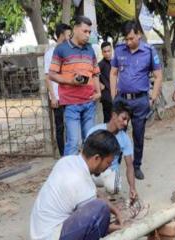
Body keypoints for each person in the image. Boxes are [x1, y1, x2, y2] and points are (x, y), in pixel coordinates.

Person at [30, 130, 122, 240]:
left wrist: (117, 212)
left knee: (99, 205)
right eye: (108, 162)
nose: (109, 166)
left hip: (39, 232)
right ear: (97, 158)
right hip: (50, 236)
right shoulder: (81, 182)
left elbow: (96, 194)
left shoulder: (67, 161)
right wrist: (117, 228)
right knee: (101, 210)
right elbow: (94, 225)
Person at [110, 21, 163, 180]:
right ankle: (115, 166)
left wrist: (152, 98)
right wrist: (114, 97)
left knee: (138, 135)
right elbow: (113, 73)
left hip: (140, 101)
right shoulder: (119, 50)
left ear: (139, 34)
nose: (128, 42)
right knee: (118, 133)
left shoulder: (149, 51)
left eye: (131, 38)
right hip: (122, 101)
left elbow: (158, 75)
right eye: (126, 39)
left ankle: (136, 166)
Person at [48, 16, 102, 156]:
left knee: (89, 141)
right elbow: (52, 75)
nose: (88, 35)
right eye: (85, 31)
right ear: (75, 29)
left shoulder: (90, 49)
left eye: (89, 32)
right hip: (71, 104)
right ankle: (68, 175)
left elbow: (95, 73)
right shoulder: (61, 49)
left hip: (89, 102)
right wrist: (71, 81)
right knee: (73, 142)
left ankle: (85, 174)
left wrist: (98, 92)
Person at [87, 101, 137, 201]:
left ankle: (99, 194)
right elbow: (84, 157)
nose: (126, 123)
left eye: (128, 120)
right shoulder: (95, 131)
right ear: (114, 115)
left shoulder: (125, 139)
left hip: (109, 173)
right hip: (91, 172)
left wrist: (132, 188)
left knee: (114, 187)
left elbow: (130, 165)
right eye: (124, 118)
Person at [44, 23, 72, 156]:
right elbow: (47, 76)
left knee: (71, 126)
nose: (70, 37)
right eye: (68, 35)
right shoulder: (50, 53)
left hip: (69, 96)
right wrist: (53, 96)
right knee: (60, 127)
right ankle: (63, 156)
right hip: (58, 98)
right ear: (61, 35)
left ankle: (71, 153)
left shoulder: (69, 52)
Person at [99, 42, 113, 123]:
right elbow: (92, 75)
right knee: (108, 121)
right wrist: (100, 84)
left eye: (109, 51)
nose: (107, 54)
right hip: (107, 97)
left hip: (117, 95)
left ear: (111, 50)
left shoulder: (115, 62)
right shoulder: (100, 64)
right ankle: (107, 135)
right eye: (105, 51)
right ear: (102, 52)